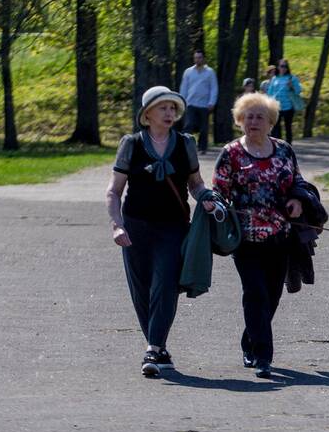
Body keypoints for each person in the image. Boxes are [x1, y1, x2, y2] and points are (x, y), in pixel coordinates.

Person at [106, 86, 216, 378]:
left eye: (172, 108)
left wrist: (207, 198)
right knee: (141, 290)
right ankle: (158, 348)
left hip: (173, 226)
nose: (169, 113)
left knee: (166, 284)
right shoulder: (131, 144)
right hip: (135, 227)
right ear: (147, 114)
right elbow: (114, 192)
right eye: (163, 108)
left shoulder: (185, 144)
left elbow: (196, 183)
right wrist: (117, 225)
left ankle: (153, 347)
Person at [212, 92, 308, 379]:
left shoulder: (284, 150)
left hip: (281, 236)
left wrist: (298, 201)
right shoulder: (231, 153)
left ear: (270, 123)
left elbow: (298, 183)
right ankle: (263, 356)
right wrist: (213, 205)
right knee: (255, 293)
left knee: (272, 297)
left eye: (260, 117)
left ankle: (249, 341)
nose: (253, 121)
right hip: (246, 238)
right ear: (240, 120)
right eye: (248, 116)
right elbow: (219, 191)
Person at [178, 50, 218, 152]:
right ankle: (185, 147)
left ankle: (202, 148)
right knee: (188, 125)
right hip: (190, 103)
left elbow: (214, 88)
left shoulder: (210, 72)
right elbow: (184, 87)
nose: (197, 60)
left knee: (204, 128)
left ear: (203, 58)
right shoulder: (188, 72)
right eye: (196, 57)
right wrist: (182, 101)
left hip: (204, 104)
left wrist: (212, 102)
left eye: (199, 57)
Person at [267, 59, 302, 144]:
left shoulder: (292, 78)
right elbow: (270, 93)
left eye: (285, 66)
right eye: (282, 66)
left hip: (288, 107)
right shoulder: (274, 79)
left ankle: (289, 145)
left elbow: (298, 91)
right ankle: (278, 145)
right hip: (277, 107)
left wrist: (292, 87)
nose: (283, 68)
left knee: (288, 127)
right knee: (276, 127)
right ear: (278, 67)